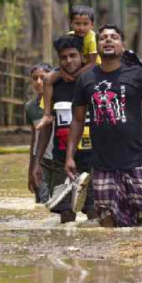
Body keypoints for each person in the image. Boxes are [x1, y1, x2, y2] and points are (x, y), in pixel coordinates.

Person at [65, 24, 142, 228]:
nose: (108, 40)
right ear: (97, 46)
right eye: (103, 37)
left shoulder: (137, 74)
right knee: (107, 220)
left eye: (114, 37)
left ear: (122, 46)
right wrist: (70, 155)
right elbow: (78, 120)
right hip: (101, 163)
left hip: (135, 160)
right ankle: (110, 261)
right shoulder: (86, 79)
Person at [31, 35, 95, 223]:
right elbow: (47, 126)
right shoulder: (53, 85)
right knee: (66, 213)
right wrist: (37, 163)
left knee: (95, 212)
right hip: (61, 161)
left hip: (94, 159)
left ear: (82, 57)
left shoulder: (94, 81)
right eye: (63, 57)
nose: (68, 61)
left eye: (73, 56)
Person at [38, 5, 100, 131]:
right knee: (47, 79)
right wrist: (62, 71)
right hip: (70, 66)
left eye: (85, 24)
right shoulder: (69, 36)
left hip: (90, 67)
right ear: (71, 23)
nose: (81, 28)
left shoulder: (92, 40)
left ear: (92, 24)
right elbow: (62, 55)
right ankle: (47, 114)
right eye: (77, 24)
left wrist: (74, 76)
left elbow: (92, 63)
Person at [25, 62, 53, 203]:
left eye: (42, 77)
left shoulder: (60, 102)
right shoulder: (30, 107)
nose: (38, 82)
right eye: (35, 78)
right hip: (41, 162)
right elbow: (33, 139)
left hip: (60, 161)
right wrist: (31, 170)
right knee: (42, 205)